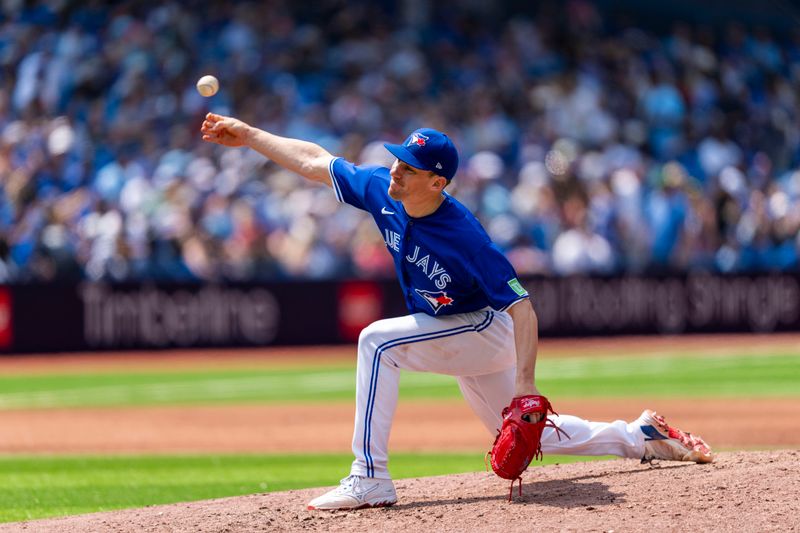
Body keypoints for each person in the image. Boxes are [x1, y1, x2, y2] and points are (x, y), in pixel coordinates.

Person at [200, 113, 713, 511]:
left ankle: (370, 477)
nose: (396, 170)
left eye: (409, 167)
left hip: (483, 328)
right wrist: (249, 135)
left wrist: (525, 388)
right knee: (519, 435)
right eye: (398, 160)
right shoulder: (385, 191)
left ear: (437, 183)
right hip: (457, 331)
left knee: (376, 342)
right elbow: (317, 160)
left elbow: (523, 308)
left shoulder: (464, 234)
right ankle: (639, 435)